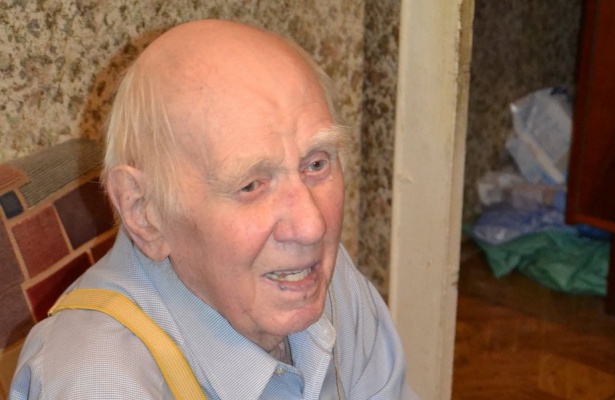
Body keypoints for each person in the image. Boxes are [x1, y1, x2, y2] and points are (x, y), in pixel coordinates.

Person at [10, 20, 415, 399]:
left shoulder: (321, 278)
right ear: (145, 213)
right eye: (251, 185)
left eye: (316, 164)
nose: (312, 226)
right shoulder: (98, 380)